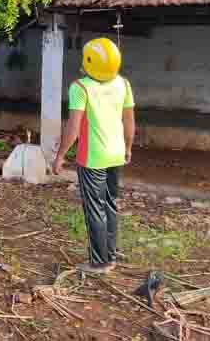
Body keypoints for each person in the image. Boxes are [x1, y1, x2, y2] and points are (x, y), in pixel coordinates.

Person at [53, 37, 135, 274]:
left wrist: (60, 155)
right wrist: (128, 147)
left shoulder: (80, 87)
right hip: (116, 154)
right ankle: (110, 253)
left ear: (89, 61)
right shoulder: (123, 84)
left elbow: (74, 127)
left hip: (92, 158)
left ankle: (100, 262)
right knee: (109, 204)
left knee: (95, 208)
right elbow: (129, 121)